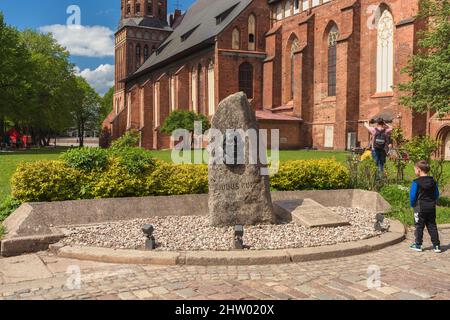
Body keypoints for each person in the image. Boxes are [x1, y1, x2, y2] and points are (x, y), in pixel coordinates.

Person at [409, 160, 441, 253]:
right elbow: (436, 194)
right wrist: (432, 201)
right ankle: (437, 246)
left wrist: (412, 204)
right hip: (431, 207)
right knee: (432, 226)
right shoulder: (433, 181)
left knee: (419, 226)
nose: (414, 171)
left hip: (419, 207)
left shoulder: (416, 182)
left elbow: (413, 195)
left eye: (415, 169)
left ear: (419, 170)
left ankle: (418, 245)